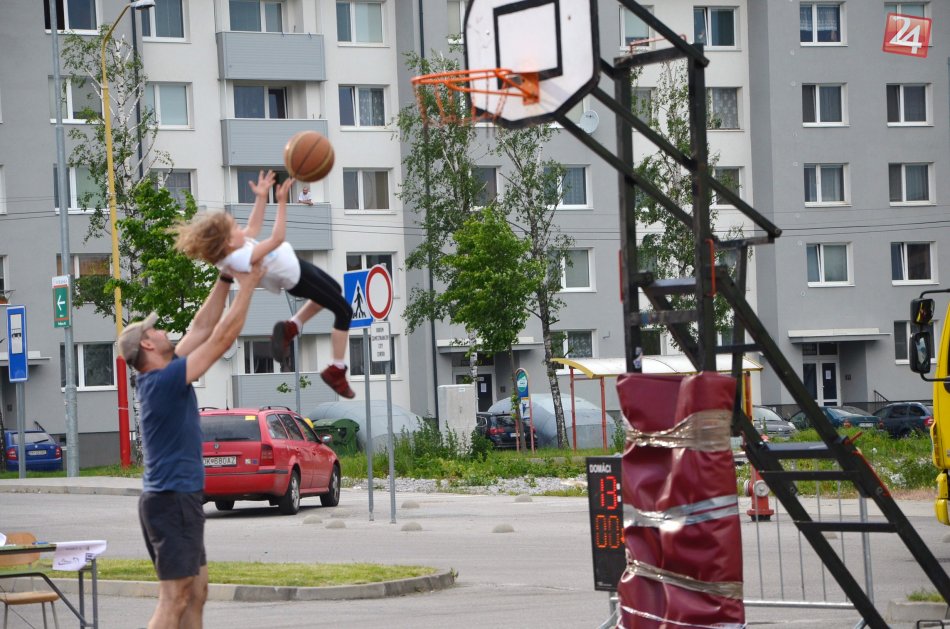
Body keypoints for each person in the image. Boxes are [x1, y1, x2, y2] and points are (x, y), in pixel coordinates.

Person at [118, 260, 265, 629]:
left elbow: (201, 327)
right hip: (172, 500)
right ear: (147, 343)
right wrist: (248, 286)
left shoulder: (163, 373)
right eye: (156, 329)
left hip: (175, 499)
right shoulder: (164, 380)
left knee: (197, 592)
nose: (163, 330)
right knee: (176, 597)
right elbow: (221, 339)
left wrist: (226, 277)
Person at [173, 170, 355, 398]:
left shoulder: (235, 248)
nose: (241, 228)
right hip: (296, 277)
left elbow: (253, 227)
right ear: (228, 241)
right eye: (235, 227)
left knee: (335, 291)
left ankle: (292, 326)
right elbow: (276, 238)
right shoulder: (238, 258)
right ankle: (336, 369)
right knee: (344, 311)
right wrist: (281, 202)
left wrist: (261, 197)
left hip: (296, 266)